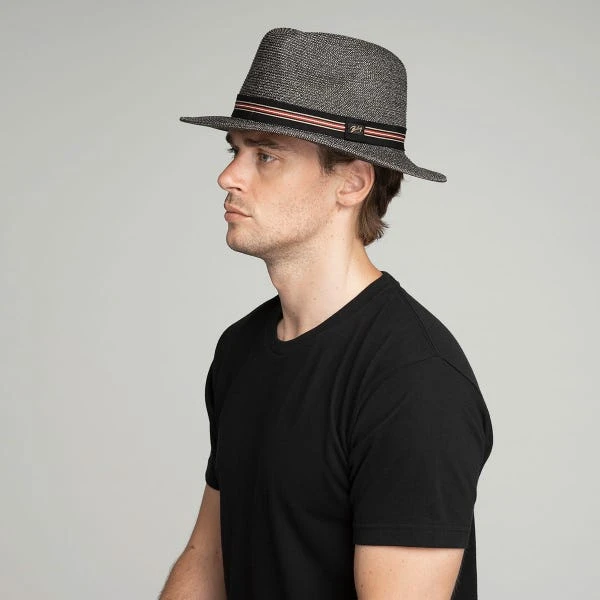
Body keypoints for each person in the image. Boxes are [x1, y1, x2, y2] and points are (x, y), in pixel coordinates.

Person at [160, 27, 493, 600]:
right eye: (235, 151)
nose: (229, 177)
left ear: (353, 182)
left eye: (266, 155)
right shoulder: (241, 347)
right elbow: (208, 557)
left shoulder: (414, 381)